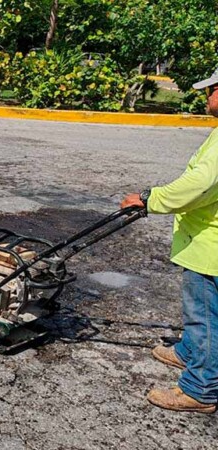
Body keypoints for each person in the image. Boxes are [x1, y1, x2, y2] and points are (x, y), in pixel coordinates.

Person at [121, 68, 218, 414]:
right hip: (207, 245)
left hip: (211, 250)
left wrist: (150, 200)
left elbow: (200, 186)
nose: (206, 98)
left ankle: (200, 391)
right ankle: (189, 352)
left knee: (207, 317)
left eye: (210, 91)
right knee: (201, 314)